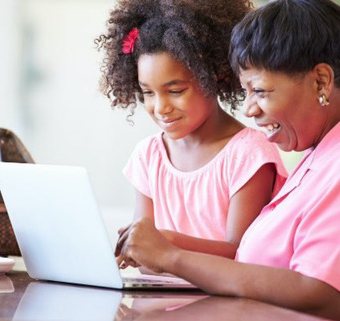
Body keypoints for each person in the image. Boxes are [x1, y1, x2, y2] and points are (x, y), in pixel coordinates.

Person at [114, 0, 340, 320]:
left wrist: (172, 256)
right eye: (246, 91)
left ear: (321, 81)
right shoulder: (324, 153)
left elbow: (324, 294)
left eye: (260, 91)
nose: (249, 109)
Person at [96, 0, 287, 262]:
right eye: (148, 93)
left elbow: (242, 256)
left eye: (175, 91)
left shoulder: (248, 155)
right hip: (157, 299)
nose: (160, 107)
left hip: (225, 301)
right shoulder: (149, 156)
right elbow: (144, 255)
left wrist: (168, 243)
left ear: (215, 76)